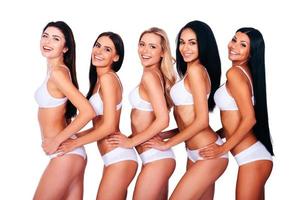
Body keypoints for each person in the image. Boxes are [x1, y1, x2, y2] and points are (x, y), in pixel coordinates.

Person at [144, 21, 228, 199]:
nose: (185, 48)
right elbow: (188, 121)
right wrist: (166, 135)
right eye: (182, 42)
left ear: (203, 45)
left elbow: (202, 121)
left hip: (208, 153)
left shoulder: (197, 71)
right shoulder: (189, 73)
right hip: (194, 153)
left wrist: (167, 144)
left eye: (192, 42)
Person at [59, 32, 138, 200]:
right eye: (97, 46)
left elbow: (109, 127)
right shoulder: (99, 80)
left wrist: (74, 142)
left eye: (107, 49)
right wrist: (74, 135)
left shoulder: (108, 79)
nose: (99, 51)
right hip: (113, 159)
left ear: (116, 57)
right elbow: (99, 126)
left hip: (120, 158)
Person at [199, 27, 274, 200]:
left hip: (252, 159)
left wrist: (222, 148)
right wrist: (216, 136)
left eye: (243, 45)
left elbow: (249, 119)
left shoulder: (235, 73)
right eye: (234, 40)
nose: (234, 46)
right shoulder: (243, 73)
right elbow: (236, 121)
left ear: (251, 52)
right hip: (255, 157)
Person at [107, 27, 176, 200]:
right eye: (142, 44)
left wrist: (131, 142)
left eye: (152, 46)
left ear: (163, 52)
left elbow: (163, 120)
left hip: (156, 160)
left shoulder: (150, 76)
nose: (145, 51)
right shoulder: (156, 74)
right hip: (157, 157)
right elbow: (154, 122)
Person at [34, 21, 96, 200]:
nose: (48, 41)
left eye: (56, 39)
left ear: (66, 48)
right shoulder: (58, 71)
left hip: (64, 155)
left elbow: (87, 111)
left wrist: (56, 141)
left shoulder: (58, 74)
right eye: (45, 36)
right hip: (71, 155)